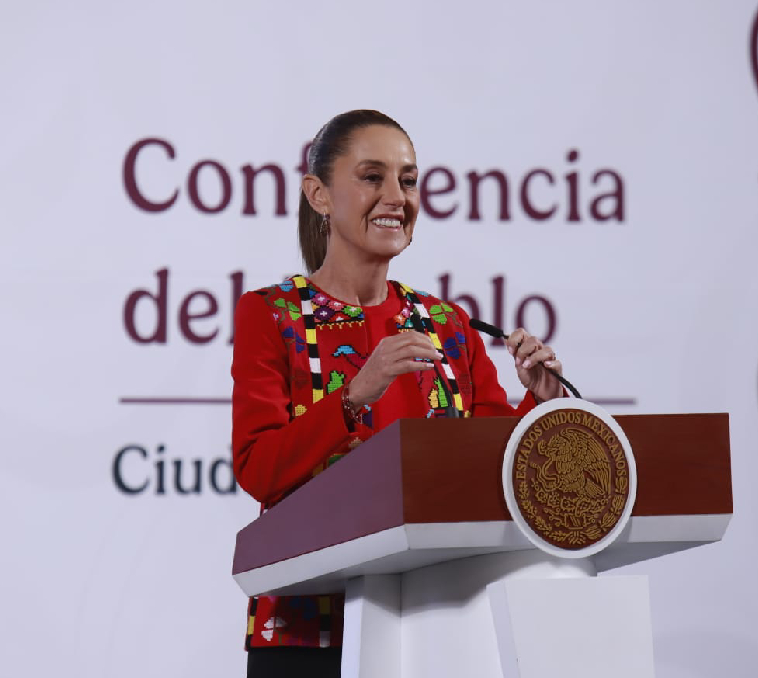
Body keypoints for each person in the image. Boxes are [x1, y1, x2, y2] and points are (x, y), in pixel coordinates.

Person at [231, 109, 564, 678]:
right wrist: (355, 393)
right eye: (371, 177)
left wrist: (540, 402)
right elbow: (258, 469)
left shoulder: (447, 324)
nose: (396, 196)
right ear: (318, 195)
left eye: (407, 180)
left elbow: (493, 467)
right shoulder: (271, 313)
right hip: (307, 628)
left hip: (435, 623)